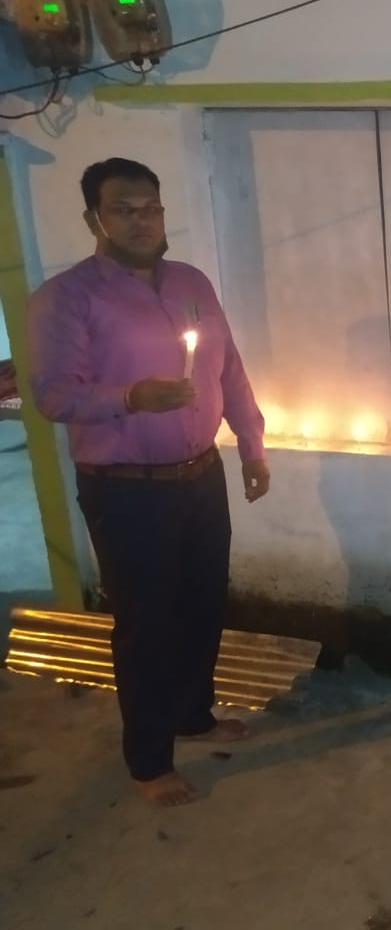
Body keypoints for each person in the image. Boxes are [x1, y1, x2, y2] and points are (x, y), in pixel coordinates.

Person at [28, 158, 270, 807]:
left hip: (201, 476)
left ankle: (193, 714)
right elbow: (53, 395)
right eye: (125, 210)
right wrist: (132, 396)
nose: (142, 222)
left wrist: (251, 444)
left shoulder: (192, 282)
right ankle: (149, 760)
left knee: (204, 604)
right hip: (127, 489)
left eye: (151, 209)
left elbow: (228, 367)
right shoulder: (66, 298)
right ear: (94, 219)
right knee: (146, 623)